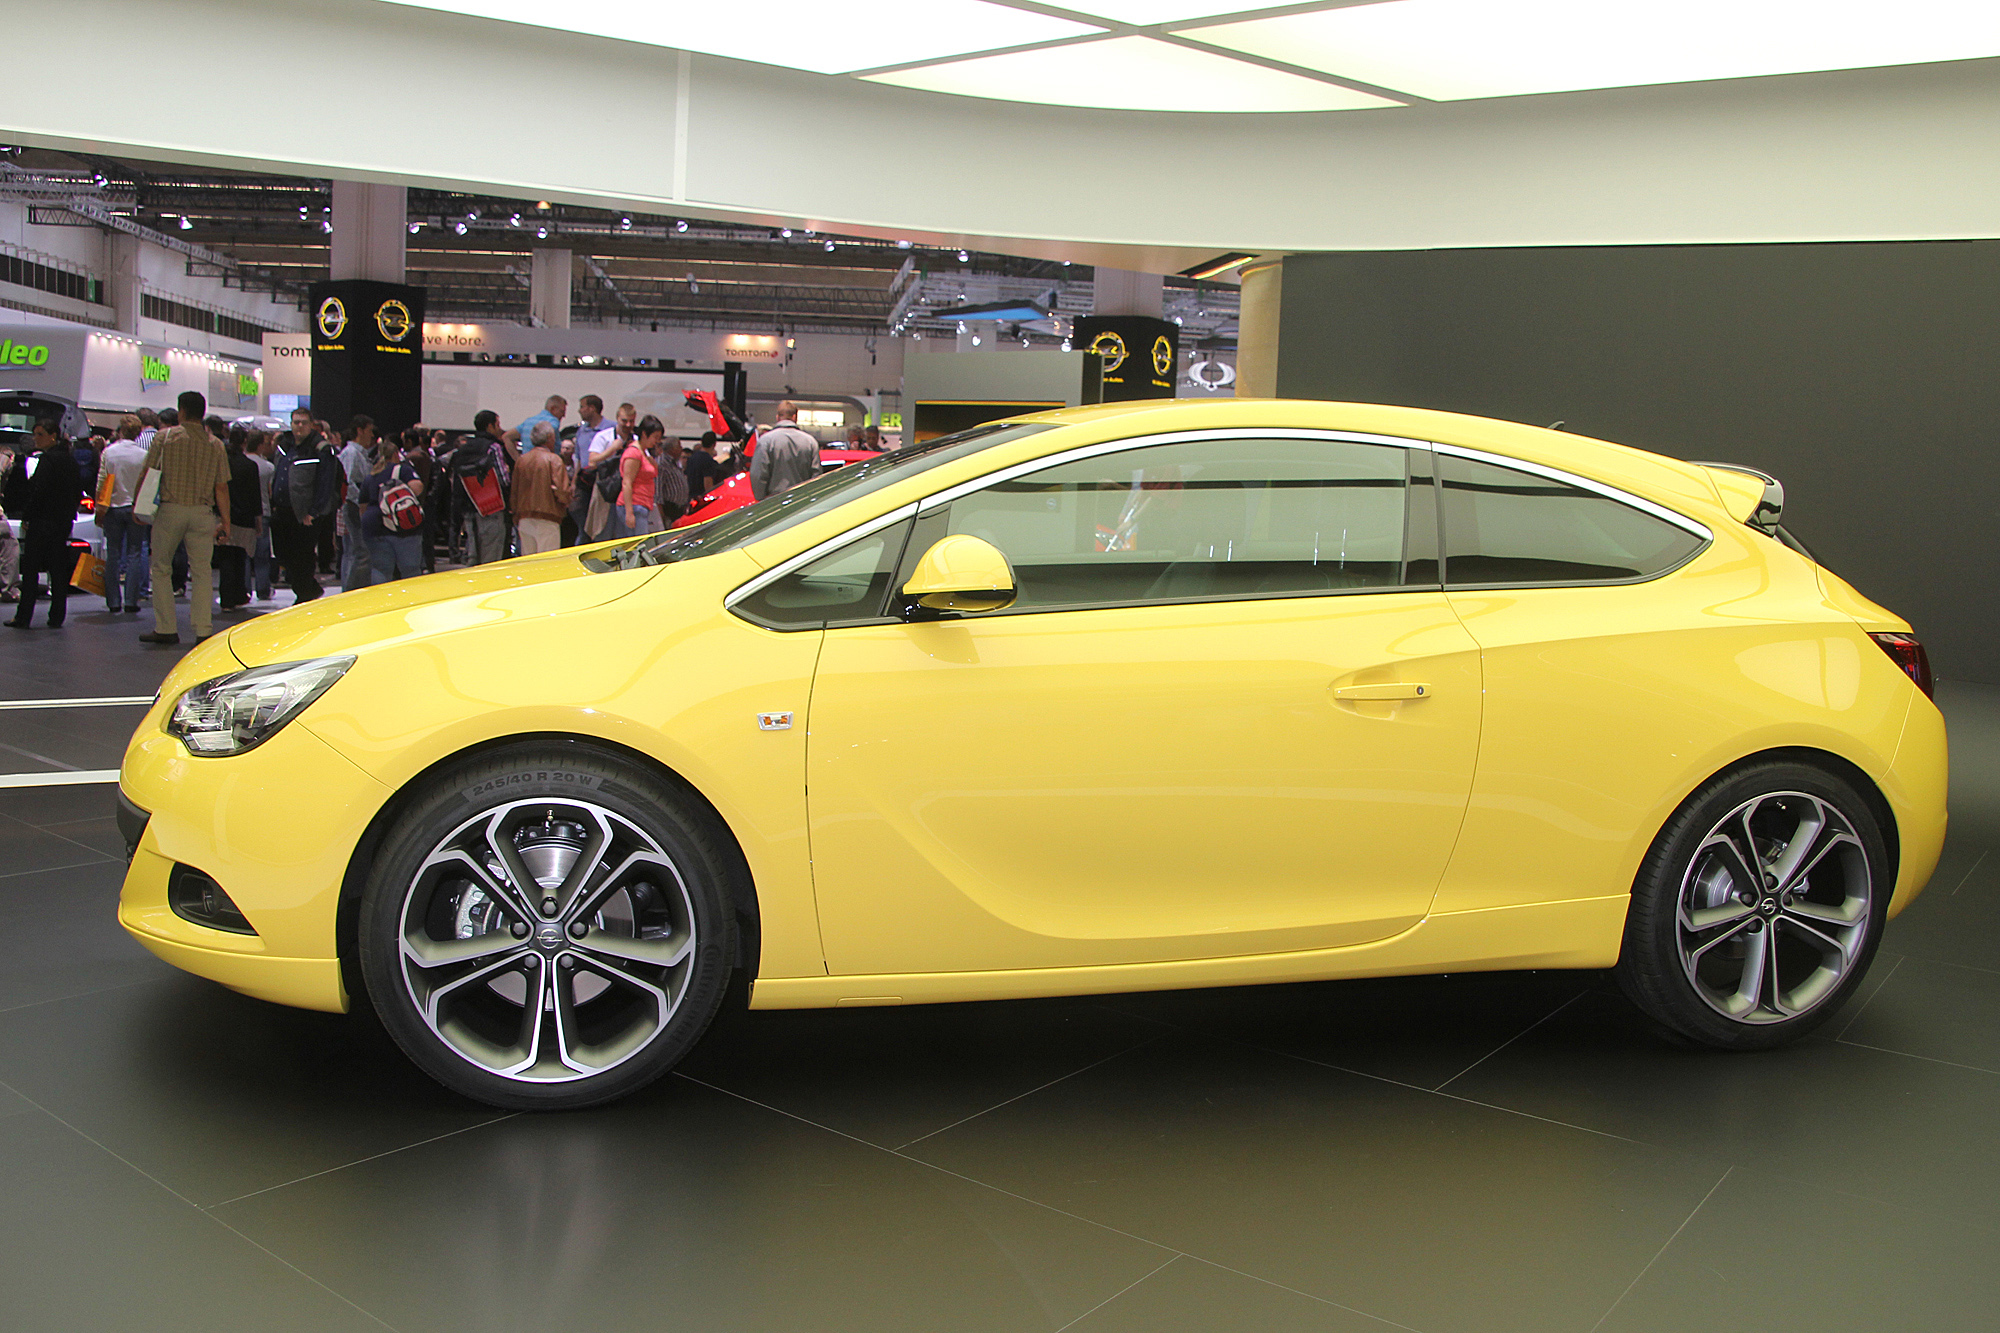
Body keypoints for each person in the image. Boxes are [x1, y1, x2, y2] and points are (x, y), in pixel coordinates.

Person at [134, 390, 229, 645]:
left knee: (161, 567)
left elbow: (147, 472)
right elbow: (221, 487)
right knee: (202, 571)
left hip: (170, 510)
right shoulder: (216, 444)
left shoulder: (165, 438)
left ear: (181, 411)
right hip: (202, 512)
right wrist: (226, 521)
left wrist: (137, 505)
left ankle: (166, 628)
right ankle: (203, 629)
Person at [1, 411, 82, 629]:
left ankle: (23, 616)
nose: (35, 439)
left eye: (40, 434)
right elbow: (77, 490)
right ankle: (57, 616)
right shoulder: (70, 461)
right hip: (62, 522)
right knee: (57, 570)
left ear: (52, 436)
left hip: (42, 521)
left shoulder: (47, 460)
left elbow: (38, 490)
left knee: (31, 570)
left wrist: (27, 516)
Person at [269, 407, 334, 602]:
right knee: (284, 556)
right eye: (296, 422)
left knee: (302, 558)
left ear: (311, 424)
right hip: (282, 511)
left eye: (303, 423)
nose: (299, 426)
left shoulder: (320, 449)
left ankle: (305, 595)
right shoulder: (284, 445)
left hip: (304, 514)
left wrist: (314, 512)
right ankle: (309, 590)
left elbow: (326, 483)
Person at [96, 415, 151, 614]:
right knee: (135, 552)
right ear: (138, 433)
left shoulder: (109, 452)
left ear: (120, 430)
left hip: (113, 507)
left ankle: (113, 601)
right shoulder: (144, 455)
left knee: (113, 553)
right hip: (136, 507)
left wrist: (99, 509)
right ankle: (131, 600)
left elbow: (102, 482)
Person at [357, 428, 424, 583]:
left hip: (372, 527)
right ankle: (410, 597)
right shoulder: (403, 470)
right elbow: (417, 487)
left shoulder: (371, 475)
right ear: (395, 454)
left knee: (380, 568)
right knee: (410, 569)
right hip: (401, 526)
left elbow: (362, 505)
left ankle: (382, 597)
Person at [451, 411, 512, 565]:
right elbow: (504, 480)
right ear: (490, 426)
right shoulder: (493, 447)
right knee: (491, 556)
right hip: (492, 506)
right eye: (497, 424)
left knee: (473, 555)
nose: (500, 428)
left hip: (468, 508)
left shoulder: (463, 449)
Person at [510, 422, 572, 555]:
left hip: (524, 517)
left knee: (528, 559)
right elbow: (562, 491)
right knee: (547, 560)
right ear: (550, 437)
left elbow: (514, 490)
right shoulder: (554, 460)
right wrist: (566, 501)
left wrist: (515, 513)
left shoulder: (522, 460)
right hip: (548, 517)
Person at [217, 428, 262, 610]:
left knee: (225, 557)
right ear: (245, 442)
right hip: (244, 517)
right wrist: (258, 520)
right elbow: (255, 496)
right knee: (240, 556)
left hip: (223, 514)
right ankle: (239, 594)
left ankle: (227, 598)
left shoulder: (222, 463)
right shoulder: (250, 466)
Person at [748, 401, 820, 499]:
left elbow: (758, 475)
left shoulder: (765, 441)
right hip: (802, 500)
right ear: (795, 417)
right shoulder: (810, 442)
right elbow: (816, 476)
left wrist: (760, 498)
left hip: (773, 501)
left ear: (777, 417)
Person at [338, 416, 375, 591]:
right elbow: (348, 482)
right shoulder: (352, 453)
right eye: (369, 431)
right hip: (354, 506)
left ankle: (349, 590)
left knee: (352, 551)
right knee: (359, 552)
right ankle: (350, 591)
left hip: (355, 505)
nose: (372, 435)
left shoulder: (359, 453)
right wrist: (361, 503)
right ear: (360, 431)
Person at [614, 416, 666, 537]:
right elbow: (627, 482)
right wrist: (629, 513)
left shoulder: (644, 452)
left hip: (643, 504)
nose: (657, 441)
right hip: (634, 504)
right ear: (644, 434)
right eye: (655, 437)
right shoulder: (633, 454)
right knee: (639, 542)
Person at [248, 431, 276, 600]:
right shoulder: (268, 467)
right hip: (263, 510)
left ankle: (245, 589)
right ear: (260, 445)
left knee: (244, 554)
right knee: (262, 555)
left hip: (243, 513)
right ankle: (263, 588)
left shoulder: (240, 463)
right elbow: (270, 491)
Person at [515, 395, 566, 467]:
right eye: (562, 411)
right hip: (546, 466)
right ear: (553, 408)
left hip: (526, 465)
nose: (564, 415)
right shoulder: (553, 422)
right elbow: (554, 447)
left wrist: (517, 459)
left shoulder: (528, 421)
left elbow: (506, 437)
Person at [655, 432, 689, 524]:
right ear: (673, 449)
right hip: (669, 510)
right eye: (679, 446)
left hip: (680, 510)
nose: (681, 449)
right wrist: (661, 518)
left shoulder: (675, 463)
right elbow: (658, 493)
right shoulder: (661, 464)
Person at [684, 432, 726, 498]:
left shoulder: (692, 457)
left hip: (690, 496)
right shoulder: (708, 460)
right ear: (714, 444)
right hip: (701, 497)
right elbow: (708, 483)